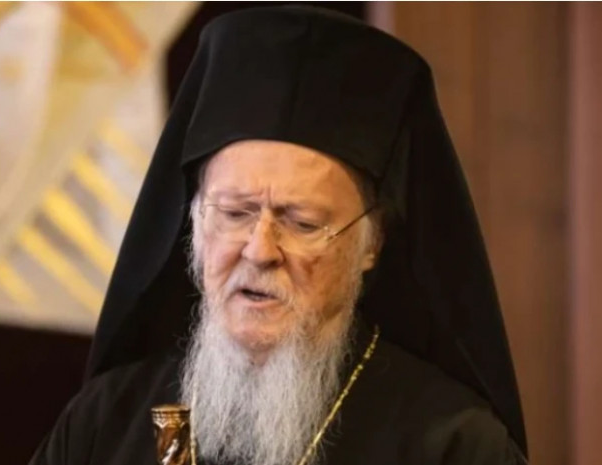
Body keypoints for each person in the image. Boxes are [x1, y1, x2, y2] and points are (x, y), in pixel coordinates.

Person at [29, 6, 528, 465]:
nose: (260, 250)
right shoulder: (106, 421)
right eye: (234, 213)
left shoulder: (456, 445)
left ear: (371, 243)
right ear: (194, 222)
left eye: (302, 222)